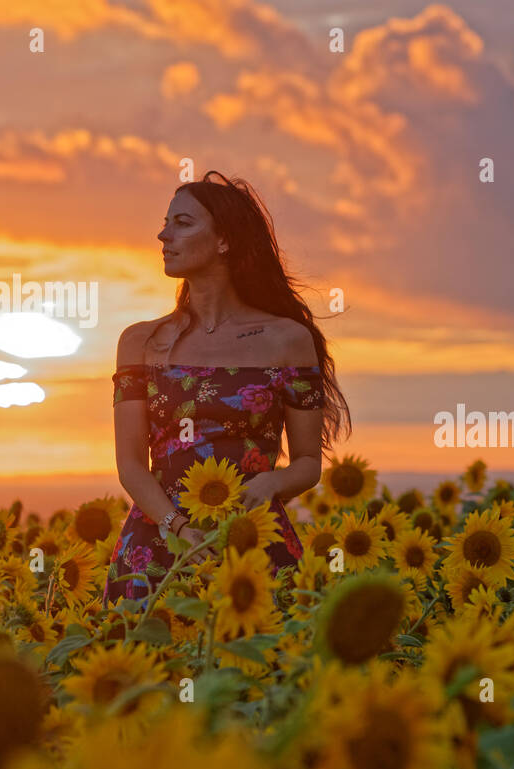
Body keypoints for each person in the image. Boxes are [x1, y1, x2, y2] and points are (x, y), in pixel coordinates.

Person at [102, 171, 350, 606]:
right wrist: (180, 529)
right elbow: (130, 464)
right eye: (165, 222)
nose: (163, 234)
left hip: (253, 543)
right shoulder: (140, 342)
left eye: (182, 222)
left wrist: (272, 483)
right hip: (156, 549)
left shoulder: (287, 340)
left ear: (224, 241)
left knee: (261, 665)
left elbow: (309, 462)